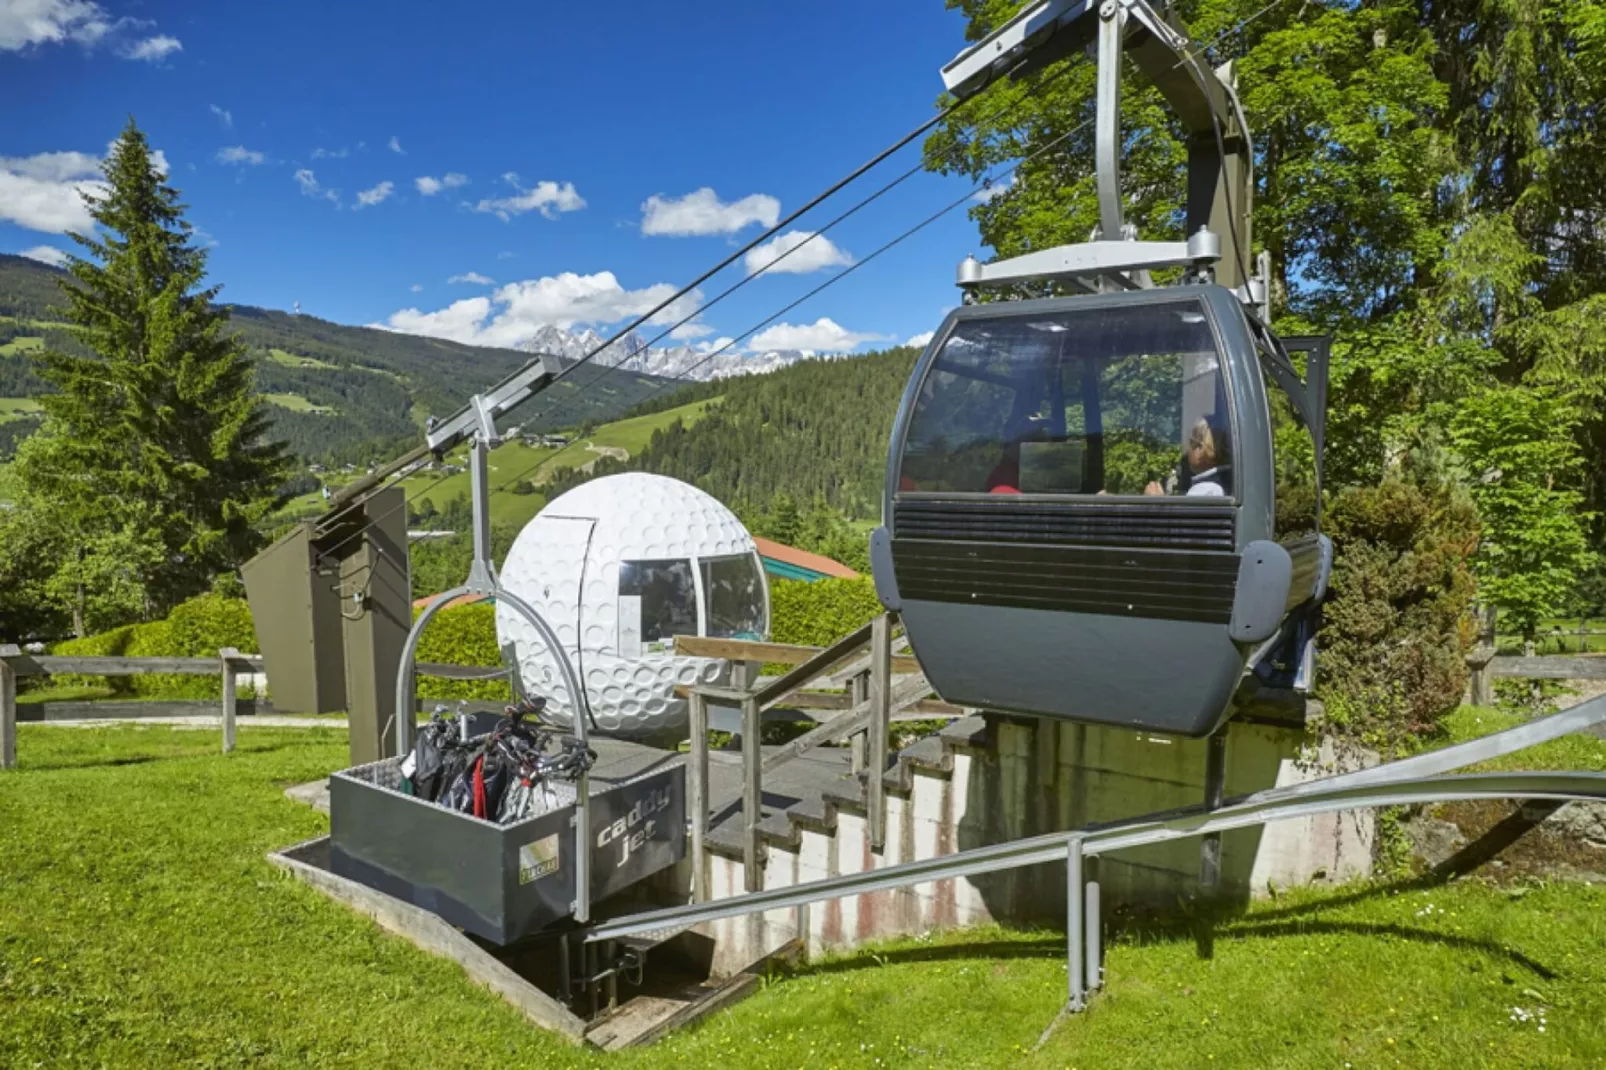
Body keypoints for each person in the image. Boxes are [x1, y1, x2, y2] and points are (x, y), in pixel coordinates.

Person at [1145, 418, 1229, 497]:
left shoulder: (1205, 489)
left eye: (1191, 443)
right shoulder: (1221, 483)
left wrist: (1157, 502)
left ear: (1201, 448)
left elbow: (1186, 513)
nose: (1187, 451)